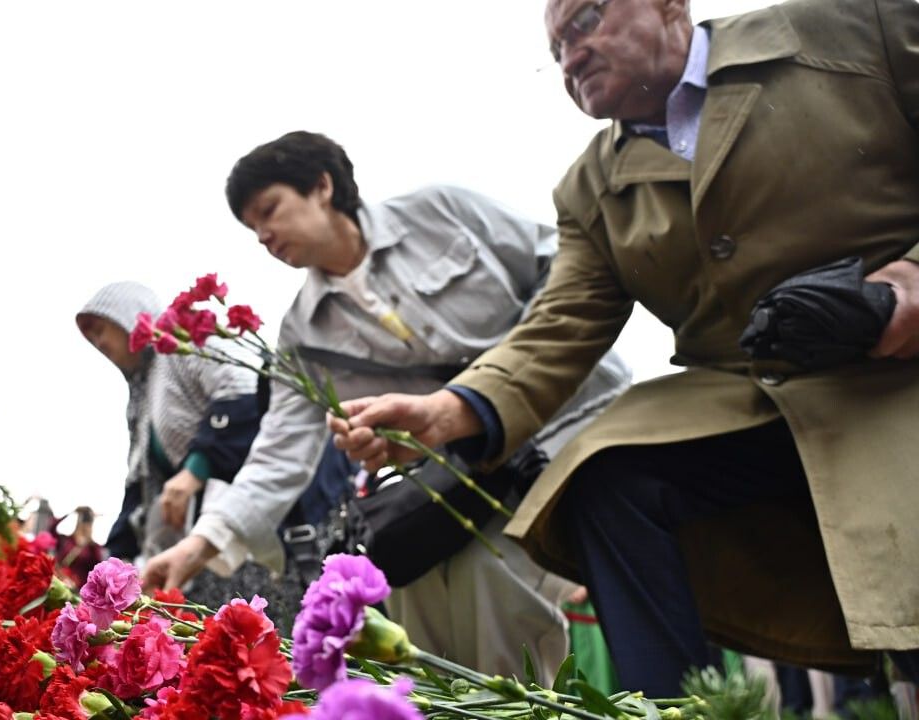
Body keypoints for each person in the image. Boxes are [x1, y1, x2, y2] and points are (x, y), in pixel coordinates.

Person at [329, 0, 919, 696]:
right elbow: (562, 320)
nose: (570, 56)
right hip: (754, 409)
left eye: (586, 20)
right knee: (606, 476)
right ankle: (678, 710)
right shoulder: (588, 188)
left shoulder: (859, 32)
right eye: (556, 51)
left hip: (895, 384)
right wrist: (452, 411)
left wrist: (912, 279)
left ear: (671, 4)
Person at [142, 131, 631, 678]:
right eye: (251, 227)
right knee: (415, 597)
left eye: (269, 210)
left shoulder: (442, 211)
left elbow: (568, 272)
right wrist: (198, 546)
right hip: (467, 480)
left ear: (322, 186)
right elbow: (278, 455)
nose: (262, 235)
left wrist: (501, 381)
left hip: (575, 423)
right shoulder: (303, 336)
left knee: (497, 595)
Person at [76, 281, 263, 562]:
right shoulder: (142, 394)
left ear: (130, 315)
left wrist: (196, 469)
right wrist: (117, 559)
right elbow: (141, 481)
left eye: (101, 330)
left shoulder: (181, 343)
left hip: (249, 502)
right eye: (92, 341)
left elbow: (244, 389)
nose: (99, 344)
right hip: (199, 527)